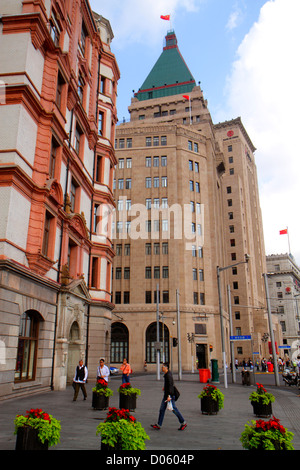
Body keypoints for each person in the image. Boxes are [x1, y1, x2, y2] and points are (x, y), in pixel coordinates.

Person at [151, 362, 187, 431]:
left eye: (162, 367)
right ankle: (159, 424)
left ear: (166, 367)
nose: (161, 368)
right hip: (167, 395)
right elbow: (169, 385)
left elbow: (170, 386)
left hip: (169, 396)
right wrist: (165, 387)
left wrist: (169, 396)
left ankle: (183, 422)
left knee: (174, 409)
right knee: (162, 409)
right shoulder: (167, 374)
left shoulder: (168, 376)